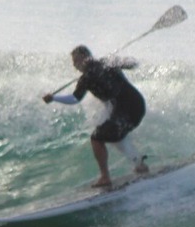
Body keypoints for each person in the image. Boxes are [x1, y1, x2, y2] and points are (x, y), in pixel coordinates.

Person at [43, 45, 150, 188]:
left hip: (126, 111)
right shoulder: (106, 63)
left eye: (75, 62)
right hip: (138, 106)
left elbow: (75, 99)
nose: (75, 66)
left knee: (96, 138)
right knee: (114, 135)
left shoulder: (87, 77)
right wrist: (117, 61)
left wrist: (54, 98)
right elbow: (133, 64)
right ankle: (139, 164)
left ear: (83, 58)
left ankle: (105, 178)